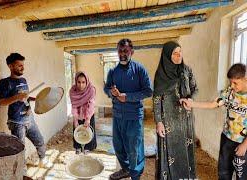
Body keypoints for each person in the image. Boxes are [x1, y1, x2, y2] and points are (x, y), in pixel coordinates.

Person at [180, 63, 247, 180]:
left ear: (245, 79)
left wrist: (245, 145)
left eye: (235, 82)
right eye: (230, 82)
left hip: (243, 143)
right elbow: (212, 104)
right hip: (227, 139)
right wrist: (191, 104)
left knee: (242, 176)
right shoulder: (229, 92)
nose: (232, 85)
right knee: (223, 173)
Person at [104, 38, 153, 180]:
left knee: (134, 149)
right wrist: (111, 93)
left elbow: (148, 91)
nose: (122, 53)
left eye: (125, 50)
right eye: (120, 51)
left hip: (134, 117)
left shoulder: (139, 70)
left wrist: (128, 97)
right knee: (118, 146)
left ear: (132, 51)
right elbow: (106, 88)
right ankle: (126, 169)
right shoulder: (113, 71)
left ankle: (135, 176)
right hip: (118, 115)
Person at [0, 53, 48, 167]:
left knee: (40, 141)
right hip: (17, 122)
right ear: (10, 66)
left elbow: (25, 97)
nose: (23, 68)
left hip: (30, 119)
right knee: (19, 149)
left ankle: (43, 161)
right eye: (19, 65)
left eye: (23, 65)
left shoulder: (23, 80)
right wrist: (16, 97)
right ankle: (21, 173)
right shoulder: (5, 83)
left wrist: (36, 99)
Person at [153, 41, 198, 179]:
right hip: (168, 120)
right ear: (167, 55)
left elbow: (194, 88)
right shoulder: (161, 74)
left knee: (185, 148)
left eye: (180, 52)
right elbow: (156, 99)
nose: (179, 56)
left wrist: (190, 99)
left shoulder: (187, 70)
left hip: (185, 118)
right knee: (169, 151)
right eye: (175, 53)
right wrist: (159, 122)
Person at [69, 71, 97, 154]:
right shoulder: (73, 91)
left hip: (88, 113)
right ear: (76, 81)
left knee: (88, 131)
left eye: (83, 82)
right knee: (77, 130)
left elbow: (91, 104)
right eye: (79, 82)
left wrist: (88, 119)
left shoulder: (91, 90)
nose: (81, 85)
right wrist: (75, 119)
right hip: (77, 114)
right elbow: (74, 106)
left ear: (87, 81)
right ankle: (78, 147)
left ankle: (87, 148)